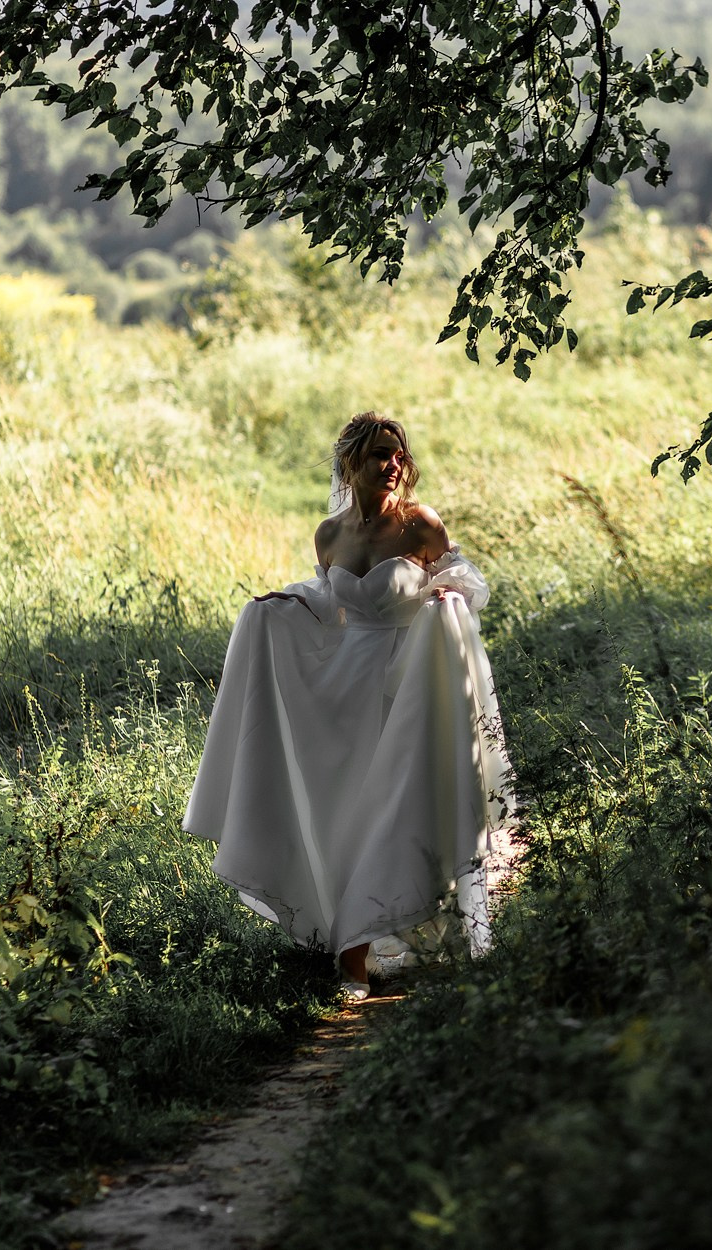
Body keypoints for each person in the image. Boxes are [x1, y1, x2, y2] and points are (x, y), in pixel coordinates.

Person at [182, 413, 512, 1001]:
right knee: (347, 815)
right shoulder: (329, 533)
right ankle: (351, 943)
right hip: (343, 688)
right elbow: (332, 604)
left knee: (396, 809)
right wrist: (281, 607)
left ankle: (368, 951)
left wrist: (447, 593)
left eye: (398, 455)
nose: (392, 465)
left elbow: (468, 581)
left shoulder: (419, 523)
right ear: (350, 462)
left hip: (407, 684)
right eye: (380, 454)